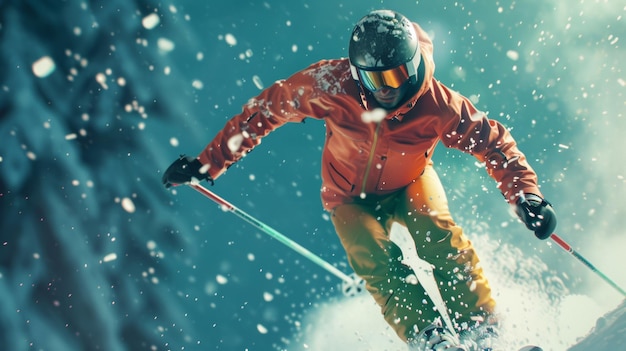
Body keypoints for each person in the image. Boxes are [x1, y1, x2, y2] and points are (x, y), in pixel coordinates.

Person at [162, 9, 557, 350]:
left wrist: (527, 196)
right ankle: (431, 337)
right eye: (378, 80)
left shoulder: (439, 104)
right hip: (348, 198)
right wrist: (207, 164)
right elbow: (267, 109)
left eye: (401, 74)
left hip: (412, 182)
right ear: (357, 74)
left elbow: (494, 144)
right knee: (377, 261)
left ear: (416, 62)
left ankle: (482, 334)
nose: (392, 89)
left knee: (440, 236)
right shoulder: (332, 86)